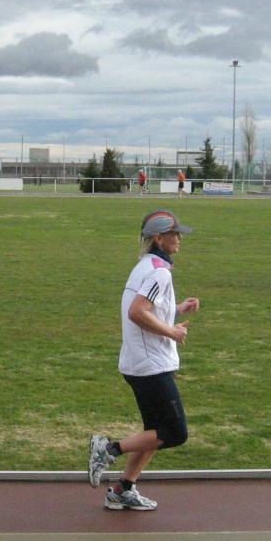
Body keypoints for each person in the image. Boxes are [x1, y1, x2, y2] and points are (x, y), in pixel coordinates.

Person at [88, 209, 200, 511]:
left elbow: (148, 306)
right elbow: (137, 312)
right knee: (174, 433)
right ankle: (108, 449)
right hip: (151, 366)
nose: (180, 238)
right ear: (158, 238)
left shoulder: (146, 265)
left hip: (139, 362)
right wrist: (172, 332)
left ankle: (123, 489)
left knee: (154, 432)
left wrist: (176, 308)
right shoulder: (159, 272)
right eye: (175, 234)